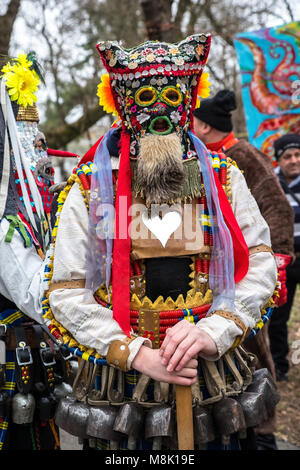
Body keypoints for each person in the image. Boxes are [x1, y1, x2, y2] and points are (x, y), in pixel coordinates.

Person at [45, 34, 278, 451]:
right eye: (146, 95)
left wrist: (215, 331)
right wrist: (136, 353)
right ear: (121, 101)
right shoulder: (88, 189)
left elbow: (260, 263)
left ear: (188, 100)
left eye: (171, 94)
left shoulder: (224, 177)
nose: (159, 111)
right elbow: (65, 290)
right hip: (122, 383)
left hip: (210, 374)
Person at [192, 89, 294, 450]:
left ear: (203, 125)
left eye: (193, 119)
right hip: (210, 279)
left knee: (251, 352)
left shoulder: (242, 156)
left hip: (244, 276)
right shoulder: (202, 156)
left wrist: (275, 267)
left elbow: (278, 209)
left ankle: (262, 434)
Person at [0, 53, 73, 450]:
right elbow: (39, 298)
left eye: (42, 146)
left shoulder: (33, 218)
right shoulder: (6, 229)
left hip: (38, 359)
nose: (44, 161)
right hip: (14, 359)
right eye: (32, 150)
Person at [269, 134, 300, 382]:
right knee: (278, 316)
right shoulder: (271, 186)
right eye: (287, 156)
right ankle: (280, 365)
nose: (293, 160)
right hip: (283, 262)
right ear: (279, 160)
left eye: (298, 155)